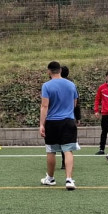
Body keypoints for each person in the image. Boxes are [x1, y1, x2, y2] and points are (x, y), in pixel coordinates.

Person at [39, 61, 78, 190]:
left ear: (48, 71)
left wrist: (41, 124)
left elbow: (45, 106)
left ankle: (50, 178)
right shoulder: (71, 85)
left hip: (52, 122)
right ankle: (69, 180)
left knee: (51, 151)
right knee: (68, 150)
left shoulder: (46, 85)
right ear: (60, 70)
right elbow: (74, 104)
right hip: (68, 121)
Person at [59, 66, 81, 169]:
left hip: (54, 118)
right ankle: (65, 162)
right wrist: (78, 117)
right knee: (67, 142)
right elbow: (76, 102)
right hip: (69, 117)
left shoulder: (50, 84)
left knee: (53, 143)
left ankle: (53, 164)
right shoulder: (71, 85)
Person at [93, 71, 108, 155]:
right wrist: (96, 111)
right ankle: (101, 149)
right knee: (104, 131)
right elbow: (97, 100)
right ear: (106, 78)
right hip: (105, 113)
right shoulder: (101, 87)